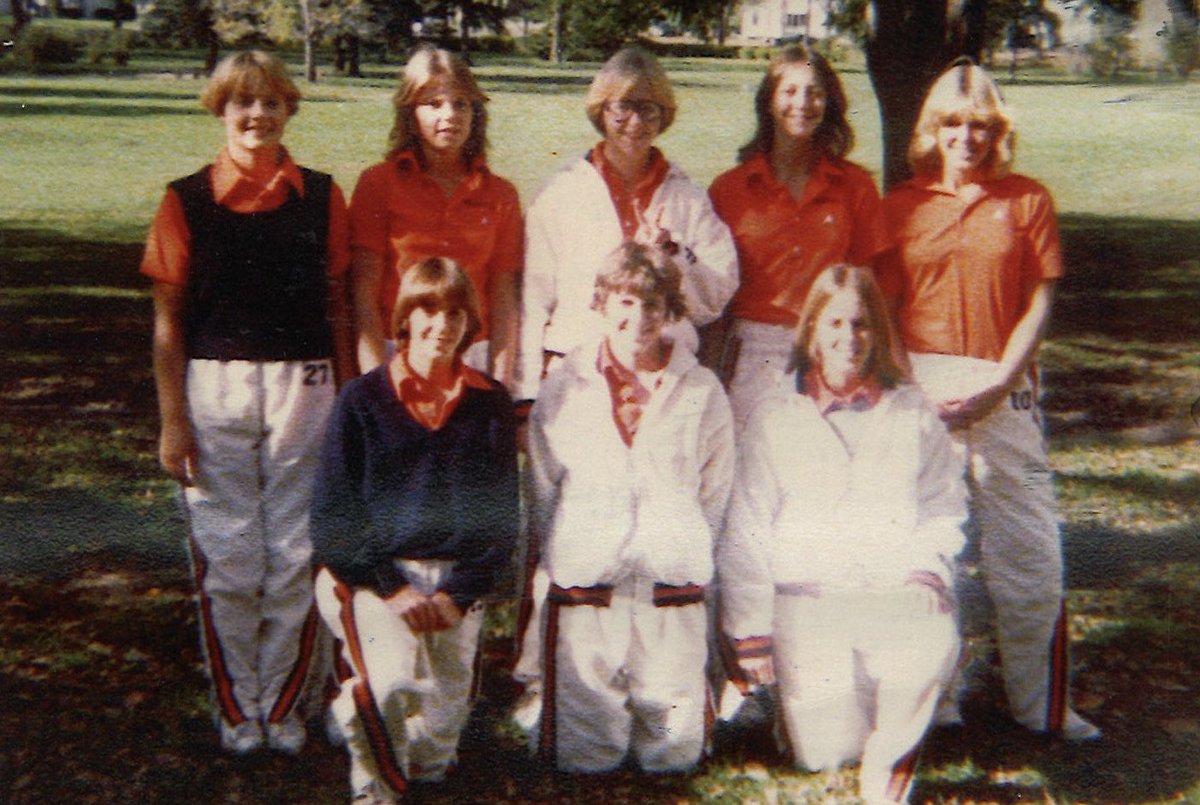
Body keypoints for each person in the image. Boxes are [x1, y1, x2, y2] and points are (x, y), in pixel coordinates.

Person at [880, 60, 1101, 741]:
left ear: (998, 131)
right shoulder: (902, 204)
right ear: (933, 129)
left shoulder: (1027, 199)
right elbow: (882, 307)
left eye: (981, 125)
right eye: (953, 124)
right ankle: (933, 697)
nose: (967, 138)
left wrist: (1002, 381)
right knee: (927, 548)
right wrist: (912, 386)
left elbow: (1040, 298)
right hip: (922, 388)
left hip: (1006, 389)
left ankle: (1040, 703)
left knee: (1030, 549)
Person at [142, 49, 352, 755]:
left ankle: (283, 703)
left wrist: (348, 397)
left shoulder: (321, 195)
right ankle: (239, 705)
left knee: (294, 551)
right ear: (220, 110)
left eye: (271, 101)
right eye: (242, 102)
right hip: (216, 386)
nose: (257, 114)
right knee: (230, 556)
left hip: (305, 387)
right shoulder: (185, 199)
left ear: (289, 108)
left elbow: (338, 303)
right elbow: (168, 320)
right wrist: (173, 418)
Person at [718, 264, 966, 805]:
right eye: (834, 323)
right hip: (807, 603)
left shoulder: (912, 411)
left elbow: (944, 505)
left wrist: (926, 570)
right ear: (811, 330)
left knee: (933, 632)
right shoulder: (775, 413)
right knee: (826, 754)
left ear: (878, 331)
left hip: (889, 596)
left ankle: (889, 760)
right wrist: (751, 633)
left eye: (861, 323)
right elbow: (746, 528)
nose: (848, 338)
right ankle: (838, 709)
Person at [311, 257, 519, 804]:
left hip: (454, 582)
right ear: (404, 317)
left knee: (435, 749)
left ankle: (398, 750)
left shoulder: (490, 403)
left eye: (454, 313)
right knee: (392, 687)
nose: (440, 325)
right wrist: (391, 587)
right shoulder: (362, 399)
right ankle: (372, 787)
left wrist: (458, 595)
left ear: (470, 324)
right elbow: (332, 518)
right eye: (427, 310)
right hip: (377, 578)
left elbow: (501, 522)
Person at [522, 242, 734, 773]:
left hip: (669, 590)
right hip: (589, 590)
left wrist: (680, 547)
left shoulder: (702, 389)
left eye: (652, 303)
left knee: (671, 754)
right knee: (587, 759)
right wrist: (572, 552)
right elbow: (544, 487)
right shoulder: (566, 384)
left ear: (671, 310)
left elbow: (714, 493)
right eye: (625, 301)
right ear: (602, 302)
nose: (637, 317)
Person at [517, 45, 738, 403]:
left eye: (648, 109)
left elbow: (716, 295)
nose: (635, 123)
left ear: (663, 116)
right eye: (622, 107)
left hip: (663, 377)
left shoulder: (688, 198)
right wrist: (526, 394)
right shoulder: (561, 193)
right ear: (601, 110)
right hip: (578, 373)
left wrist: (675, 257)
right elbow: (532, 300)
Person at [708, 44, 889, 429]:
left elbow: (869, 287)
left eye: (815, 92)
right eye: (790, 91)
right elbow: (716, 297)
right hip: (753, 354)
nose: (803, 103)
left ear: (829, 102)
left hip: (832, 349)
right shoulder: (729, 189)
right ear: (769, 101)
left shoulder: (855, 186)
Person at [349, 45, 522, 389]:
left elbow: (504, 296)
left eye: (461, 103)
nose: (450, 114)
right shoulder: (378, 184)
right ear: (409, 113)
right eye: (433, 103)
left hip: (472, 354)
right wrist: (374, 383)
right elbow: (363, 292)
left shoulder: (501, 194)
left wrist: (500, 385)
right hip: (396, 352)